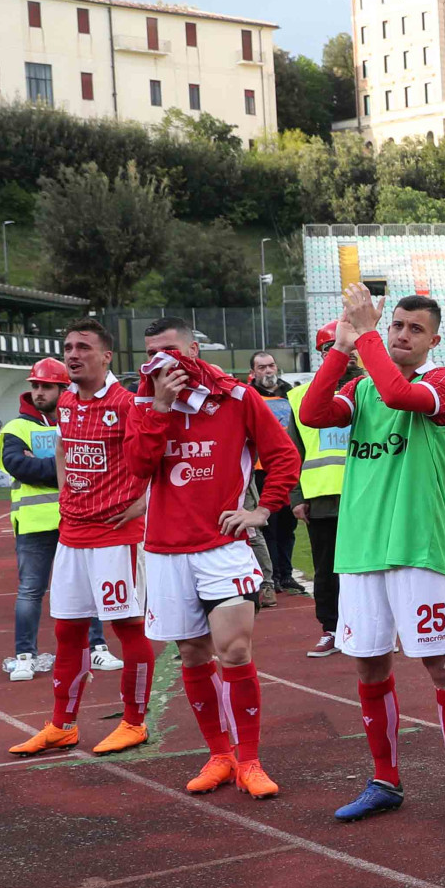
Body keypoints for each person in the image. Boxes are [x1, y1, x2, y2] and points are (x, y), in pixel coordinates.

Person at [299, 284, 445, 825]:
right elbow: (312, 412)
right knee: (370, 665)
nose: (402, 335)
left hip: (416, 549)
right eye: (396, 325)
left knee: (441, 666)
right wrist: (342, 346)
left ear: (434, 341)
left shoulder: (443, 382)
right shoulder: (360, 389)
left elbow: (401, 395)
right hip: (360, 552)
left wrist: (367, 337)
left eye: (414, 329)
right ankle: (385, 780)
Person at [130, 318, 300, 797]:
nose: (160, 361)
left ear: (194, 350)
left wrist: (261, 510)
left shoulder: (238, 398)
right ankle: (219, 755)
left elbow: (284, 456)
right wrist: (160, 407)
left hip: (223, 547)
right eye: (152, 353)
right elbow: (138, 466)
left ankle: (250, 761)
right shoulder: (143, 401)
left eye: (170, 350)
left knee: (236, 651)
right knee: (192, 654)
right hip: (166, 550)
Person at [8, 319, 160, 758]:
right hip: (73, 535)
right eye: (68, 347)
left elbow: (159, 457)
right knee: (68, 630)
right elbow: (61, 448)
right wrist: (65, 495)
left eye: (83, 347)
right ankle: (62, 725)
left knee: (128, 627)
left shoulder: (127, 403)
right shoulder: (67, 401)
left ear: (106, 356)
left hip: (115, 537)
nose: (73, 354)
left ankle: (134, 723)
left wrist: (144, 502)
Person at [0, 358, 112, 682]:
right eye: (36, 386)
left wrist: (48, 463)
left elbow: (97, 462)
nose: (39, 392)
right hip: (34, 524)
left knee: (88, 587)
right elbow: (20, 467)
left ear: (64, 389)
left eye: (46, 386)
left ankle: (97, 648)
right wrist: (66, 464)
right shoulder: (16, 428)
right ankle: (25, 656)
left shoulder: (80, 422)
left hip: (75, 520)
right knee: (31, 591)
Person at [286, 322, 353, 656]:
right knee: (326, 569)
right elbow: (291, 452)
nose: (346, 355)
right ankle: (332, 629)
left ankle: (371, 627)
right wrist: (296, 497)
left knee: (369, 569)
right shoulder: (300, 398)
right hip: (321, 500)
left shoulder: (374, 389)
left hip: (367, 498)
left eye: (352, 348)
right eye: (334, 348)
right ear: (323, 353)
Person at [247, 351, 305, 598]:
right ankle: (271, 577)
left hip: (288, 468)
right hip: (260, 470)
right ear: (253, 372)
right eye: (262, 367)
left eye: (271, 365)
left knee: (288, 526)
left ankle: (286, 574)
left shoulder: (290, 394)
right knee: (267, 527)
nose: (268, 371)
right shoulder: (248, 396)